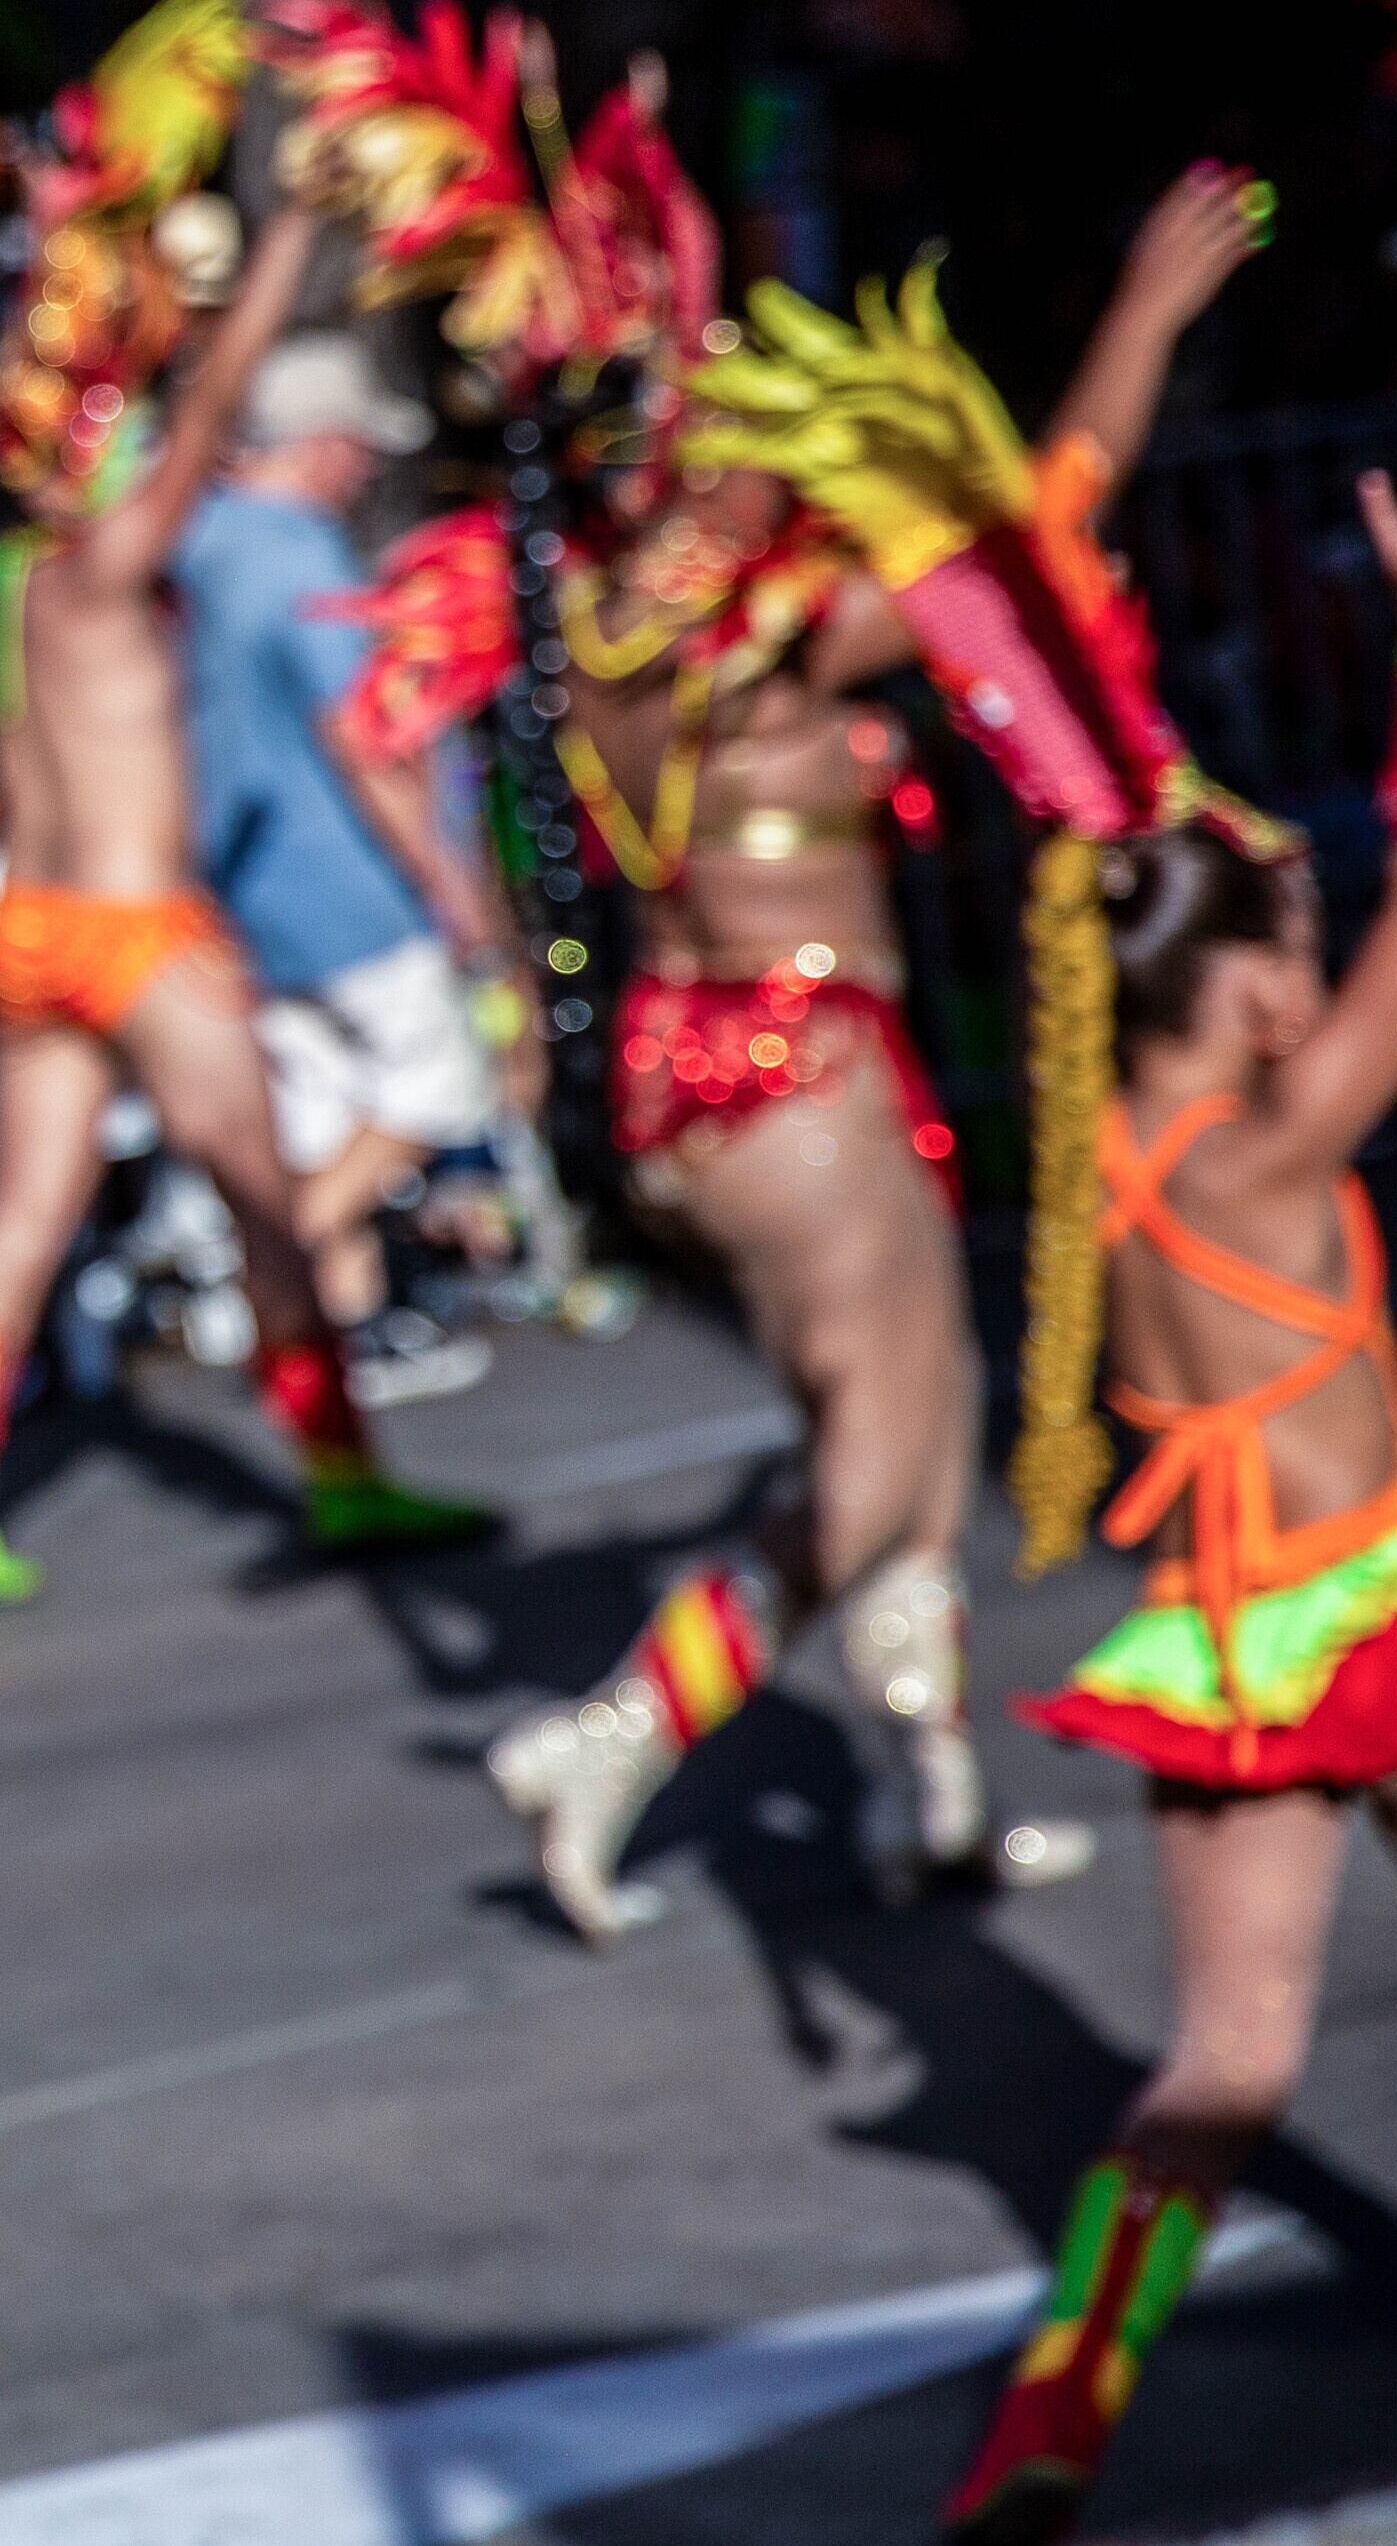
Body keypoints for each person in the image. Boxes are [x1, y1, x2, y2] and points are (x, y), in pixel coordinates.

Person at [463, 166, 1253, 1938]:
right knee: (877, 1460)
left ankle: (935, 1794)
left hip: (740, 1066)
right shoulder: (745, 635)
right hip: (796, 1082)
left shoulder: (609, 624)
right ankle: (611, 1739)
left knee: (925, 1402)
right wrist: (1141, 314)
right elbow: (1049, 512)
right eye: (740, 420)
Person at [933, 458, 1397, 2543]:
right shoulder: (1268, 1147)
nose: (1315, 970)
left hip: (1222, 1653)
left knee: (1220, 2064)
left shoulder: (1110, 1173)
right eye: (1294, 946)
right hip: (1378, 1616)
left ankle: (1050, 2419)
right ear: (1244, 991)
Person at [0, 0, 487, 1605]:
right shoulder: (97, 563)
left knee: (27, 1209)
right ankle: (346, 1479)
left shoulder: (3, 580)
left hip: (33, 930)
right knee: (268, 1205)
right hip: (138, 934)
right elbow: (216, 400)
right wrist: (291, 223)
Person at [171, 330, 504, 1391]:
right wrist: (451, 886)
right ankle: (276, 1274)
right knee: (434, 1089)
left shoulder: (198, 540)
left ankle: (332, 1341)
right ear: (320, 442)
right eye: (358, 446)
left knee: (319, 1115)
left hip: (243, 879)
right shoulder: (295, 553)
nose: (364, 469)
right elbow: (363, 737)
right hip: (339, 880)